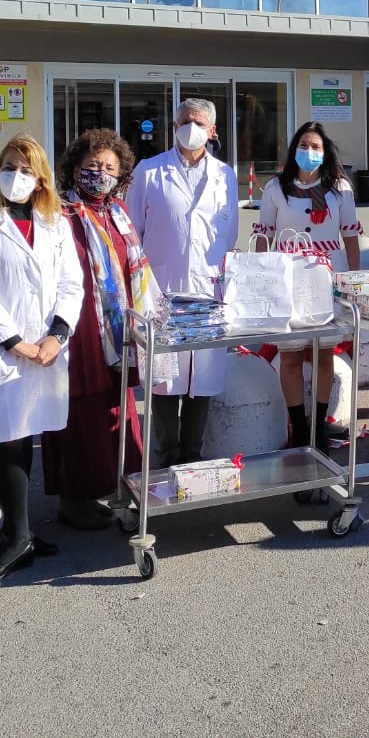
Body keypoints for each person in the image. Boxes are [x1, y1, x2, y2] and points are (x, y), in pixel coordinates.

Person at [0, 134, 82, 583]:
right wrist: (15, 342)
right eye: (9, 167)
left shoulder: (55, 225)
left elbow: (73, 284)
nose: (16, 176)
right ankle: (16, 540)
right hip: (1, 353)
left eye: (27, 170)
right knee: (5, 440)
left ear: (41, 179)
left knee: (26, 434)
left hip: (45, 350)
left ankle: (22, 531)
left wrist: (57, 335)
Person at [41, 129, 159, 531]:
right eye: (92, 166)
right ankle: (74, 497)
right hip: (78, 326)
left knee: (116, 405)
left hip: (116, 326)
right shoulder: (59, 214)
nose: (100, 173)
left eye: (109, 167)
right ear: (74, 170)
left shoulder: (118, 212)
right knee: (80, 409)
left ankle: (114, 485)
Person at [124, 98, 240, 468]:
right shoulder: (149, 171)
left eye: (198, 122)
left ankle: (193, 454)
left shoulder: (226, 175)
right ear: (174, 127)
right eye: (184, 121)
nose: (190, 127)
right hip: (161, 290)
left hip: (207, 292)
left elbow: (230, 234)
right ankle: (165, 454)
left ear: (212, 131)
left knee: (200, 378)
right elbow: (131, 235)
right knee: (163, 379)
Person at [254, 121, 362, 453]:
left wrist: (353, 282)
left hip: (328, 277)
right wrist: (263, 276)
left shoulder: (340, 188)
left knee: (323, 352)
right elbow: (263, 235)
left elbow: (350, 237)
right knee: (290, 355)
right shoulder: (276, 188)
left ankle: (318, 427)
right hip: (289, 277)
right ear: (293, 149)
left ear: (325, 151)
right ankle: (299, 427)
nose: (309, 152)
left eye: (316, 147)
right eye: (304, 145)